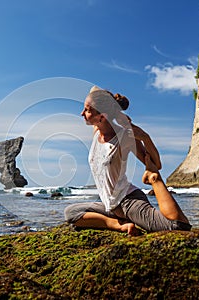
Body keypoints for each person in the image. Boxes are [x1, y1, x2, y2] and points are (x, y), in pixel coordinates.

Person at [64, 86, 191, 236]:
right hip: (110, 206)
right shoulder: (97, 130)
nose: (82, 113)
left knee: (177, 227)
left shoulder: (124, 137)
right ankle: (119, 225)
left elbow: (156, 164)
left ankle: (154, 180)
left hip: (128, 201)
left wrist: (144, 137)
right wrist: (116, 111)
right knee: (71, 213)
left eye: (87, 110)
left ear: (102, 117)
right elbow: (94, 89)